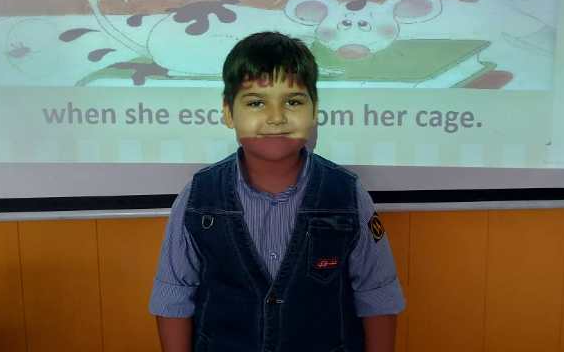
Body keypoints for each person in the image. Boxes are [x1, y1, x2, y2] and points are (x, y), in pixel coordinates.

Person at [149, 31, 405, 352]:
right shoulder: (199, 196)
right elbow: (173, 295)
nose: (276, 117)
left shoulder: (347, 193)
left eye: (293, 101)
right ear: (228, 112)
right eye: (256, 103)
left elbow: (377, 294)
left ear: (314, 110)